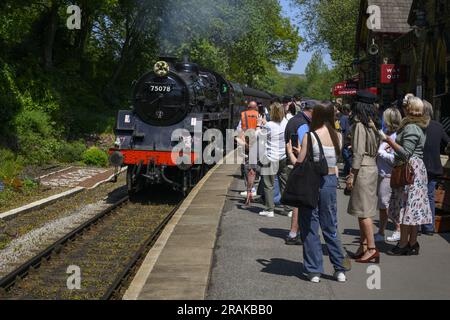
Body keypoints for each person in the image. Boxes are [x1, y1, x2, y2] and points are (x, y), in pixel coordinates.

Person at [294, 104, 347, 283]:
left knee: (310, 225)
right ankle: (340, 268)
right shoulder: (338, 136)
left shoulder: (310, 136)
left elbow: (300, 162)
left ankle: (314, 270)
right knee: (330, 224)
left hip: (313, 182)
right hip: (331, 182)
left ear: (315, 115)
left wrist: (291, 153)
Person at [385, 97, 432, 256]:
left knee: (406, 208)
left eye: (405, 105)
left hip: (410, 169)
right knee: (413, 209)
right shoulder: (419, 125)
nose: (402, 107)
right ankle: (412, 243)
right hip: (415, 169)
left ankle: (404, 244)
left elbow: (406, 153)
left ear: (409, 109)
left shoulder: (411, 127)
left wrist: (388, 141)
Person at [346, 91, 381, 264]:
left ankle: (372, 249)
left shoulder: (360, 125)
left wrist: (352, 173)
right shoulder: (373, 124)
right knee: (363, 211)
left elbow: (358, 152)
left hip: (363, 169)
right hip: (372, 166)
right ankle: (364, 246)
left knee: (364, 212)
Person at [284, 103, 314, 245]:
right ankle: (294, 233)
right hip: (299, 164)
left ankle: (294, 232)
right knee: (299, 201)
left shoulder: (293, 120)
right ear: (311, 111)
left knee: (298, 200)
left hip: (292, 161)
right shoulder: (303, 125)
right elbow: (304, 146)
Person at [421, 100, 450, 235]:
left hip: (419, 166)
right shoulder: (438, 126)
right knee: (429, 196)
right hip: (434, 166)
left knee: (416, 196)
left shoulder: (417, 126)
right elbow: (448, 143)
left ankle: (418, 225)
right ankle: (429, 226)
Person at [374, 108, 402, 242]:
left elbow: (396, 159)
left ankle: (397, 229)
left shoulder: (397, 136)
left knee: (386, 205)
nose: (382, 120)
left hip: (389, 175)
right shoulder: (385, 133)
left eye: (385, 118)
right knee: (383, 205)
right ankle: (382, 231)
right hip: (381, 173)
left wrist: (381, 152)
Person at [259, 103, 289, 217]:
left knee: (269, 184)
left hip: (270, 157)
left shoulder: (269, 125)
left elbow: (260, 138)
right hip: (283, 157)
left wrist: (259, 125)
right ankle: (288, 209)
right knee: (284, 184)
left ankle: (269, 209)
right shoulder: (286, 123)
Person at [237, 101, 260, 204]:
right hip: (257, 144)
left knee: (246, 167)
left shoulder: (243, 115)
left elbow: (239, 131)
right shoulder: (259, 116)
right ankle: (253, 188)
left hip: (246, 144)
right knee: (255, 167)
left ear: (248, 107)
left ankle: (248, 190)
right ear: (256, 108)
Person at [340, 104, 352, 177]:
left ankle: (349, 170)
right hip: (351, 139)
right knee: (349, 156)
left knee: (346, 156)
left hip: (345, 139)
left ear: (345, 110)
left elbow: (342, 129)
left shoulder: (343, 117)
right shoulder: (352, 117)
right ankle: (346, 170)